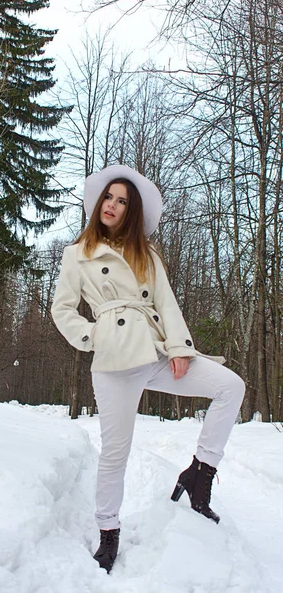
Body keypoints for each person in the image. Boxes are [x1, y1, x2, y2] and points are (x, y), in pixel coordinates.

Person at [51, 165, 245, 574]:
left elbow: (167, 302)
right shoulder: (77, 253)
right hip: (114, 361)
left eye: (122, 202)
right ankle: (108, 533)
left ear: (131, 211)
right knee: (115, 453)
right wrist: (94, 337)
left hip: (155, 351)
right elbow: (63, 309)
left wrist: (179, 347)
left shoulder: (147, 253)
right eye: (109, 197)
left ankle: (200, 473)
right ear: (98, 202)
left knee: (231, 387)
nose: (113, 205)